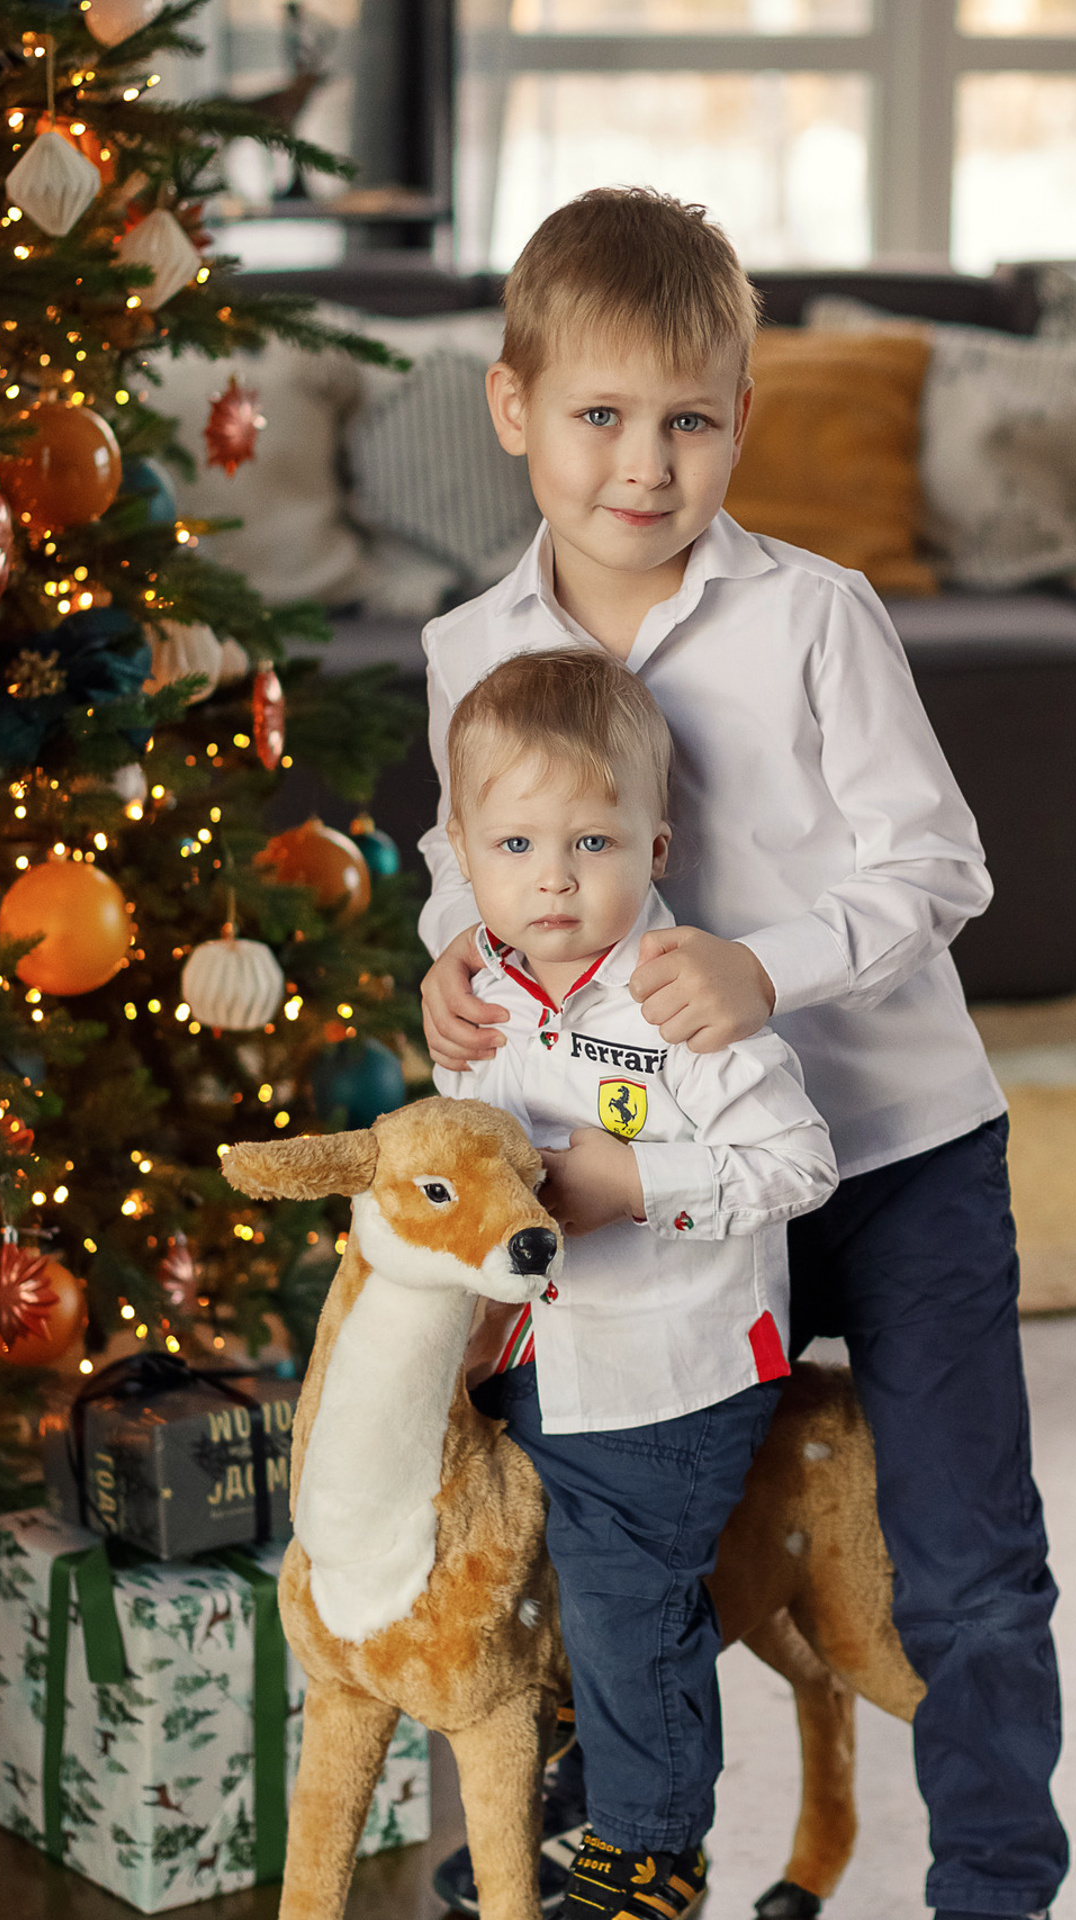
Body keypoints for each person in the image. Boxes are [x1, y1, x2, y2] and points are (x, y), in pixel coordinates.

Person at [420, 187, 1069, 1920]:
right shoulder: (469, 650)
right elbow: (460, 851)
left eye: (688, 423)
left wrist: (763, 971)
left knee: (965, 1554)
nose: (644, 466)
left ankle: (997, 1886)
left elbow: (939, 865)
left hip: (897, 1155)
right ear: (512, 409)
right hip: (646, 1183)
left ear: (741, 421)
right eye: (599, 416)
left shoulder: (816, 616)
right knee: (611, 1521)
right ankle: (625, 1831)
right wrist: (447, 959)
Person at [434, 644, 839, 1920]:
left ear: (656, 848)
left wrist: (634, 1182)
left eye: (592, 843)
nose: (551, 878)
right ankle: (576, 1778)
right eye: (514, 846)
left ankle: (652, 1846)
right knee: (525, 1579)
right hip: (530, 1363)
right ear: (463, 855)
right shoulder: (483, 1000)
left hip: (668, 1373)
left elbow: (800, 1162)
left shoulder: (682, 1001)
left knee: (626, 1600)